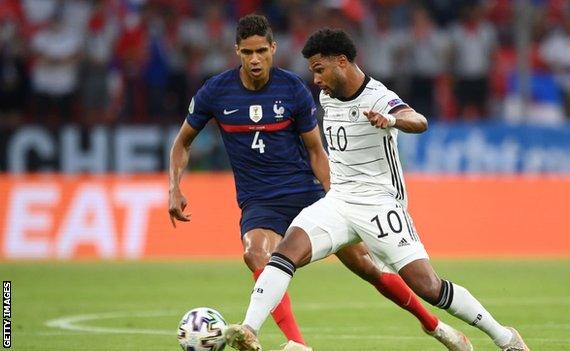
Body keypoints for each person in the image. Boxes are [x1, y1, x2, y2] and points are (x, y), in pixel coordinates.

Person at [169, 15, 472, 351]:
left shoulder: (293, 90)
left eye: (260, 51)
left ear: (273, 48)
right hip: (259, 201)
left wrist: (338, 196)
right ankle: (296, 343)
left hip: (306, 193)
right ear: (236, 52)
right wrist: (175, 188)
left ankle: (435, 326)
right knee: (256, 253)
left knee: (368, 268)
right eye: (246, 52)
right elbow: (182, 142)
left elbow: (316, 151)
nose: (254, 59)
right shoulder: (216, 91)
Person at [224, 28, 531, 351]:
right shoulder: (328, 96)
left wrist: (393, 120)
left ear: (341, 62)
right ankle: (249, 329)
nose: (315, 80)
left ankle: (505, 337)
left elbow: (419, 120)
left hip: (380, 206)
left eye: (319, 70)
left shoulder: (378, 97)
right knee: (283, 253)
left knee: (428, 286)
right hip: (339, 201)